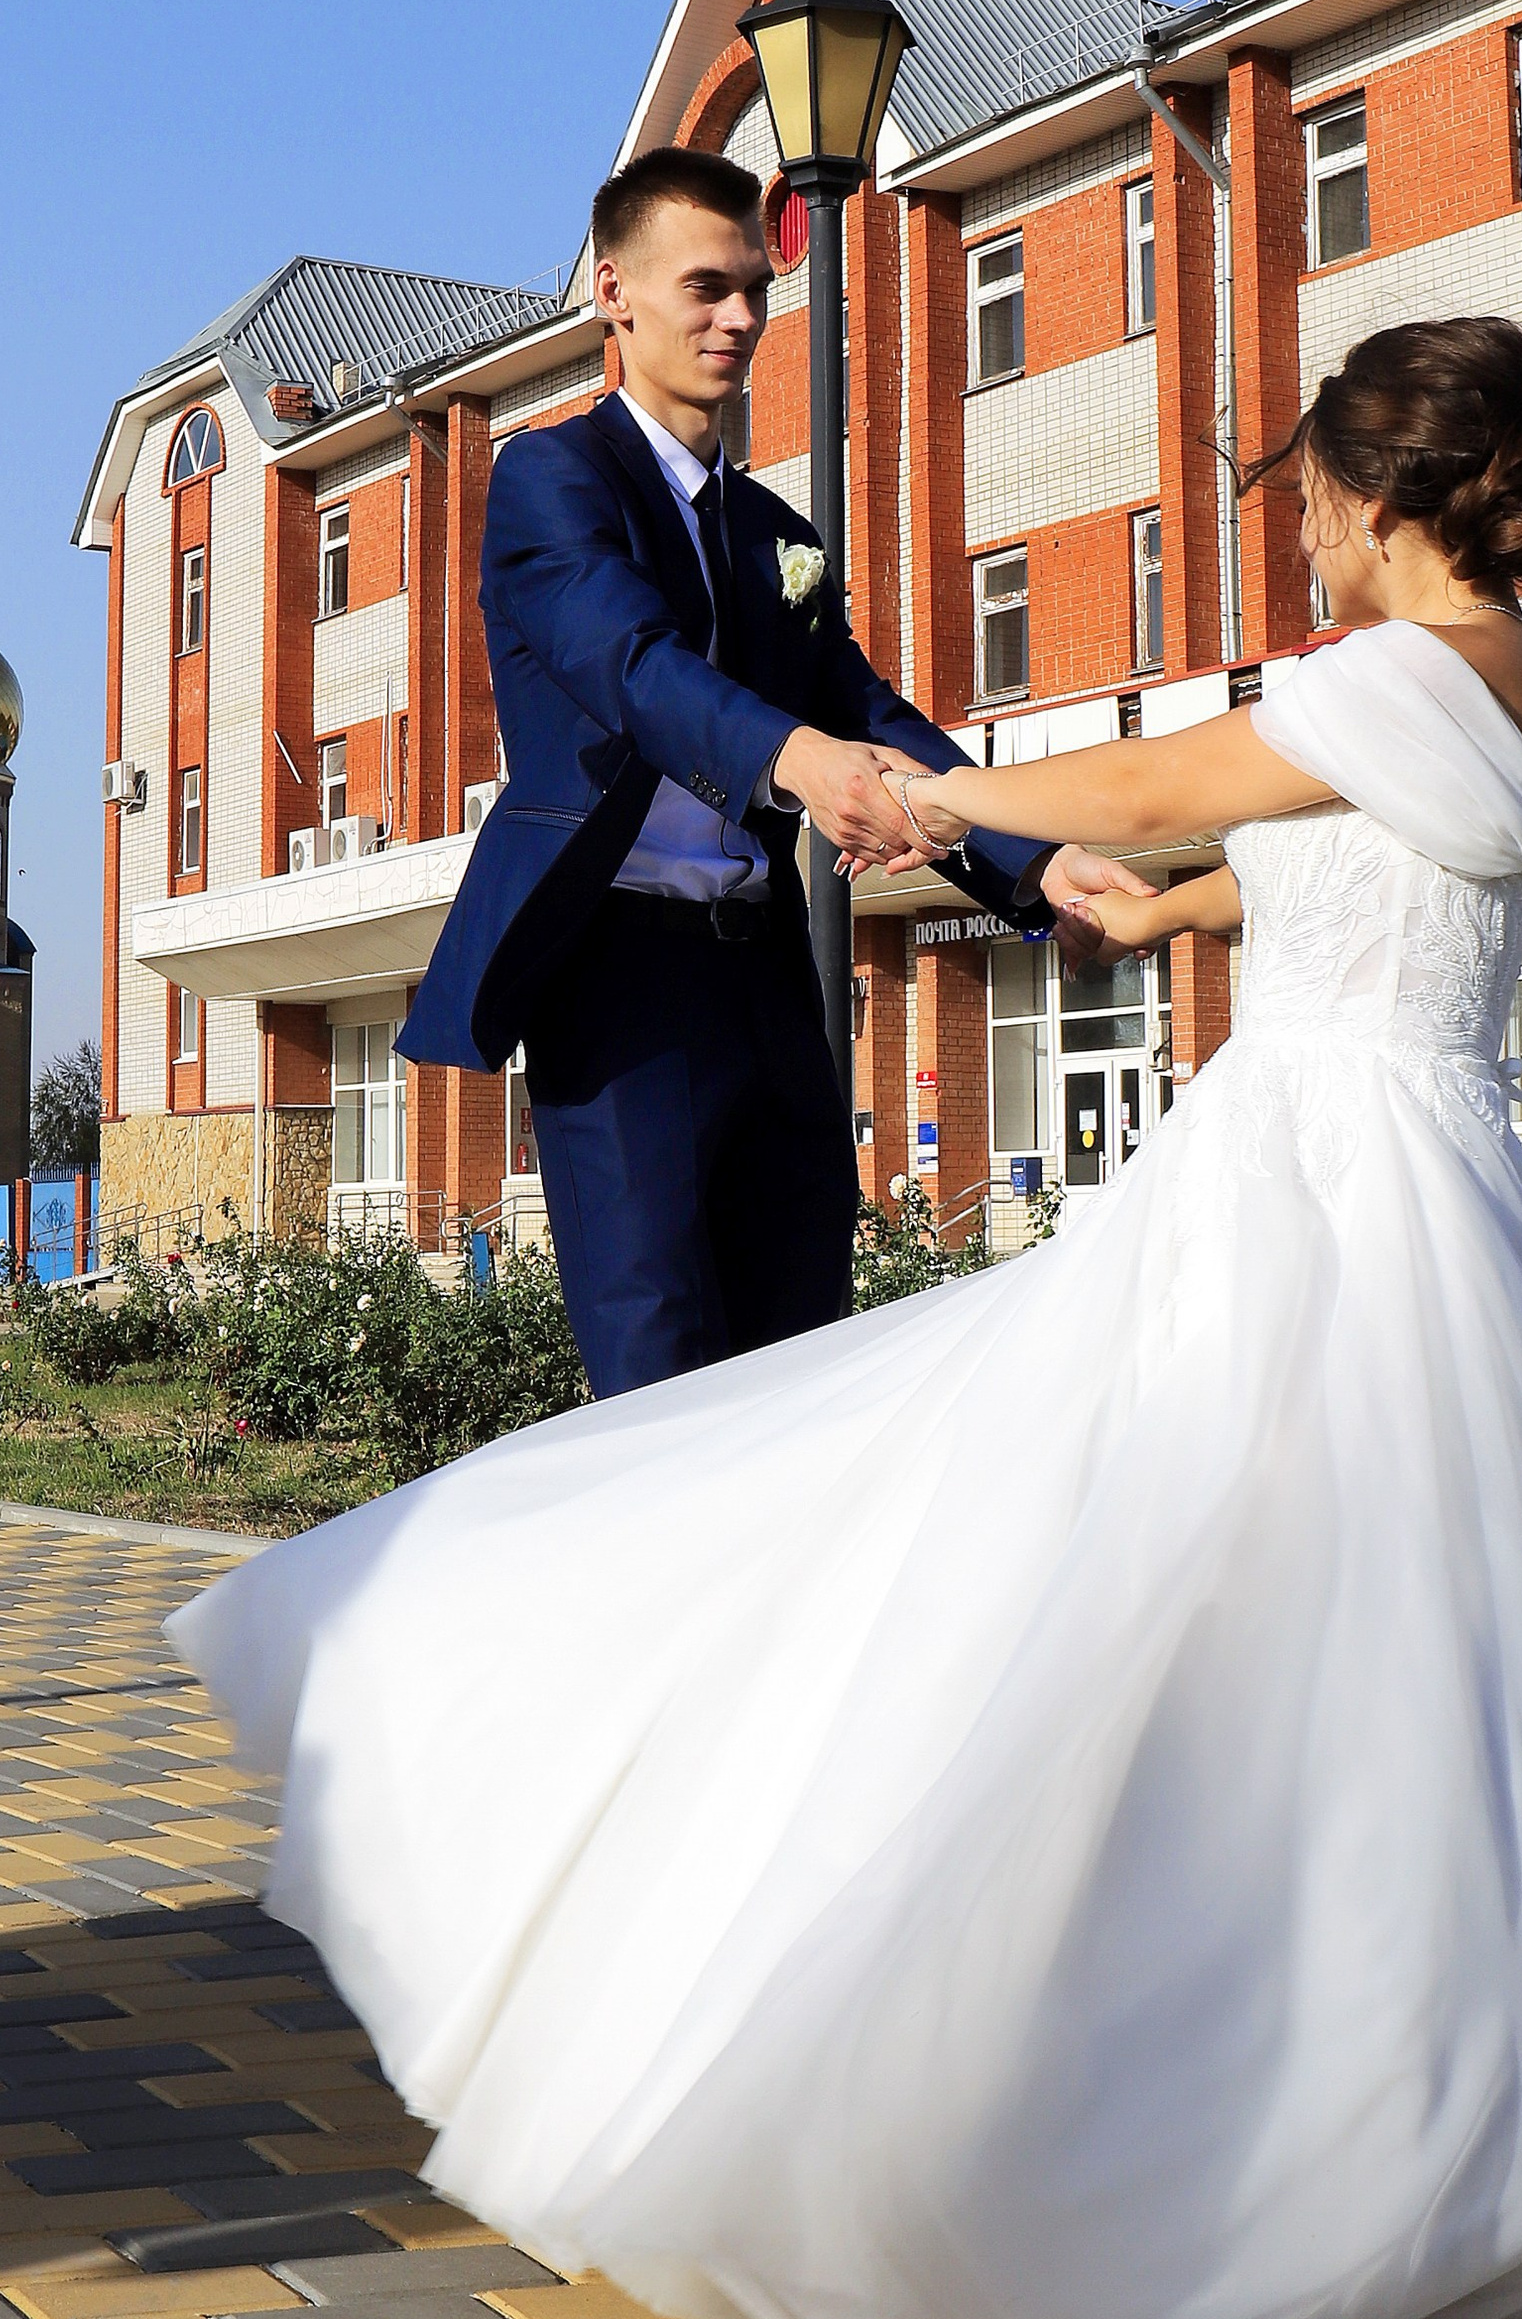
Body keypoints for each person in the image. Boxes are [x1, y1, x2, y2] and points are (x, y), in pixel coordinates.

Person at [172, 315, 1522, 2319]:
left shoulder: (1378, 673)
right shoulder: (1504, 676)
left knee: (1106, 1588)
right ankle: (1436, 2097)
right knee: (1376, 1661)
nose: (1293, 534)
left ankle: (1157, 2113)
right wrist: (1155, 912)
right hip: (1420, 1193)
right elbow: (1320, 842)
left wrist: (924, 793)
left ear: (1381, 510)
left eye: (1302, 500)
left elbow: (1149, 771)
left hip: (1313, 1198)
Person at [397, 144, 1139, 1397]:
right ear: (613, 292)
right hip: (620, 984)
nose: (740, 315)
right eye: (704, 286)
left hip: (772, 980)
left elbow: (868, 709)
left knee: (803, 1358)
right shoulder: (550, 479)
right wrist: (796, 762)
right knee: (662, 1377)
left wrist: (1037, 859)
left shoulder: (773, 534)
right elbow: (626, 662)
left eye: (755, 285)